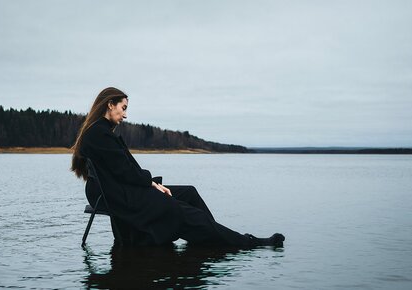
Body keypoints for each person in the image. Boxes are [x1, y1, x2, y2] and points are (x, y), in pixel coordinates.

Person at [71, 87, 285, 248]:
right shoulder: (98, 133)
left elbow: (124, 170)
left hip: (118, 188)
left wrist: (151, 183)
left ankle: (211, 237)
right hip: (115, 194)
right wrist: (152, 184)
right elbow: (124, 171)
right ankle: (247, 242)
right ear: (110, 104)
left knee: (189, 193)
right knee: (181, 210)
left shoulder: (101, 132)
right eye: (123, 108)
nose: (125, 115)